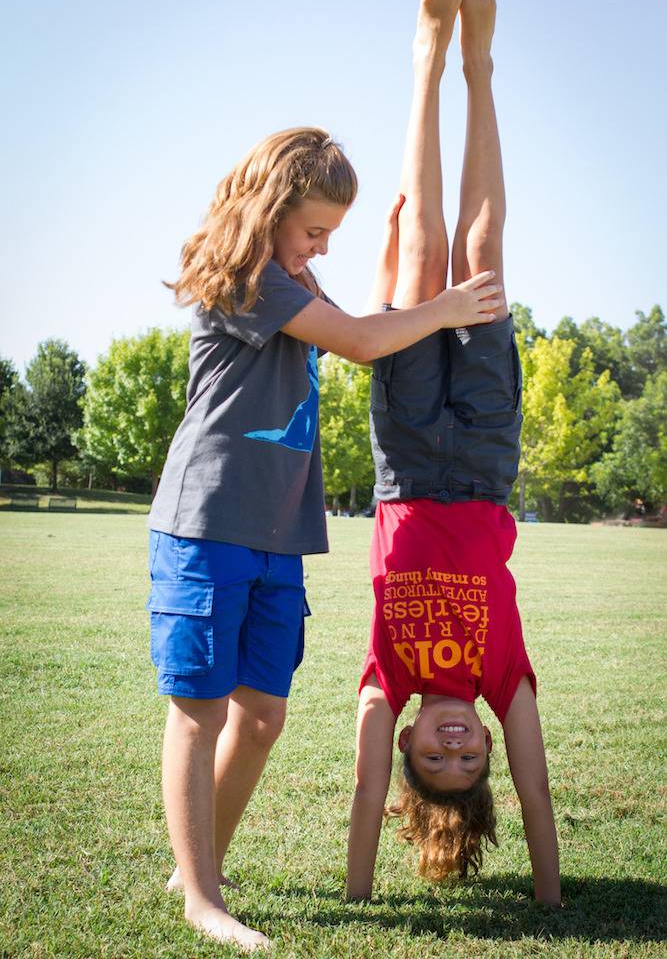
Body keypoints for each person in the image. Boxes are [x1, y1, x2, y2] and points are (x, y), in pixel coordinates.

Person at [147, 120, 504, 947]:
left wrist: (393, 270)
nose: (321, 248)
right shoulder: (247, 280)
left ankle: (196, 866)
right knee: (200, 710)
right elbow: (364, 338)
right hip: (209, 523)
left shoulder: (289, 280)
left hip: (277, 533)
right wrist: (450, 306)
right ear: (268, 211)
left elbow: (375, 335)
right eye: (314, 231)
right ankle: (202, 898)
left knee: (263, 714)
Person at [346, 0, 561, 906]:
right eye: (470, 760)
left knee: (424, 253)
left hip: (402, 465)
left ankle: (425, 67)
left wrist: (359, 895)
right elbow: (538, 786)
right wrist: (548, 898)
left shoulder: (383, 686)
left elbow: (363, 794)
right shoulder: (502, 680)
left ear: (405, 747)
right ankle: (478, 67)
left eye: (436, 760)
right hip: (479, 463)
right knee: (481, 259)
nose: (454, 746)